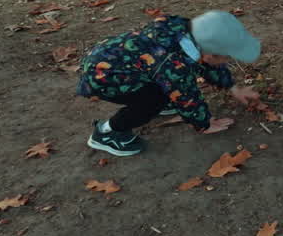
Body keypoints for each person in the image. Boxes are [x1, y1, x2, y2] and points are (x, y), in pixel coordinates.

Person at [77, 11, 262, 156]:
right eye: (226, 57)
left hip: (118, 62)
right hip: (104, 79)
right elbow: (186, 97)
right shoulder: (174, 65)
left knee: (163, 86)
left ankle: (160, 97)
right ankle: (107, 132)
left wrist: (232, 87)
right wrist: (203, 123)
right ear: (211, 53)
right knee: (150, 103)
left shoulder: (186, 34)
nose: (226, 61)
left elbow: (208, 64)